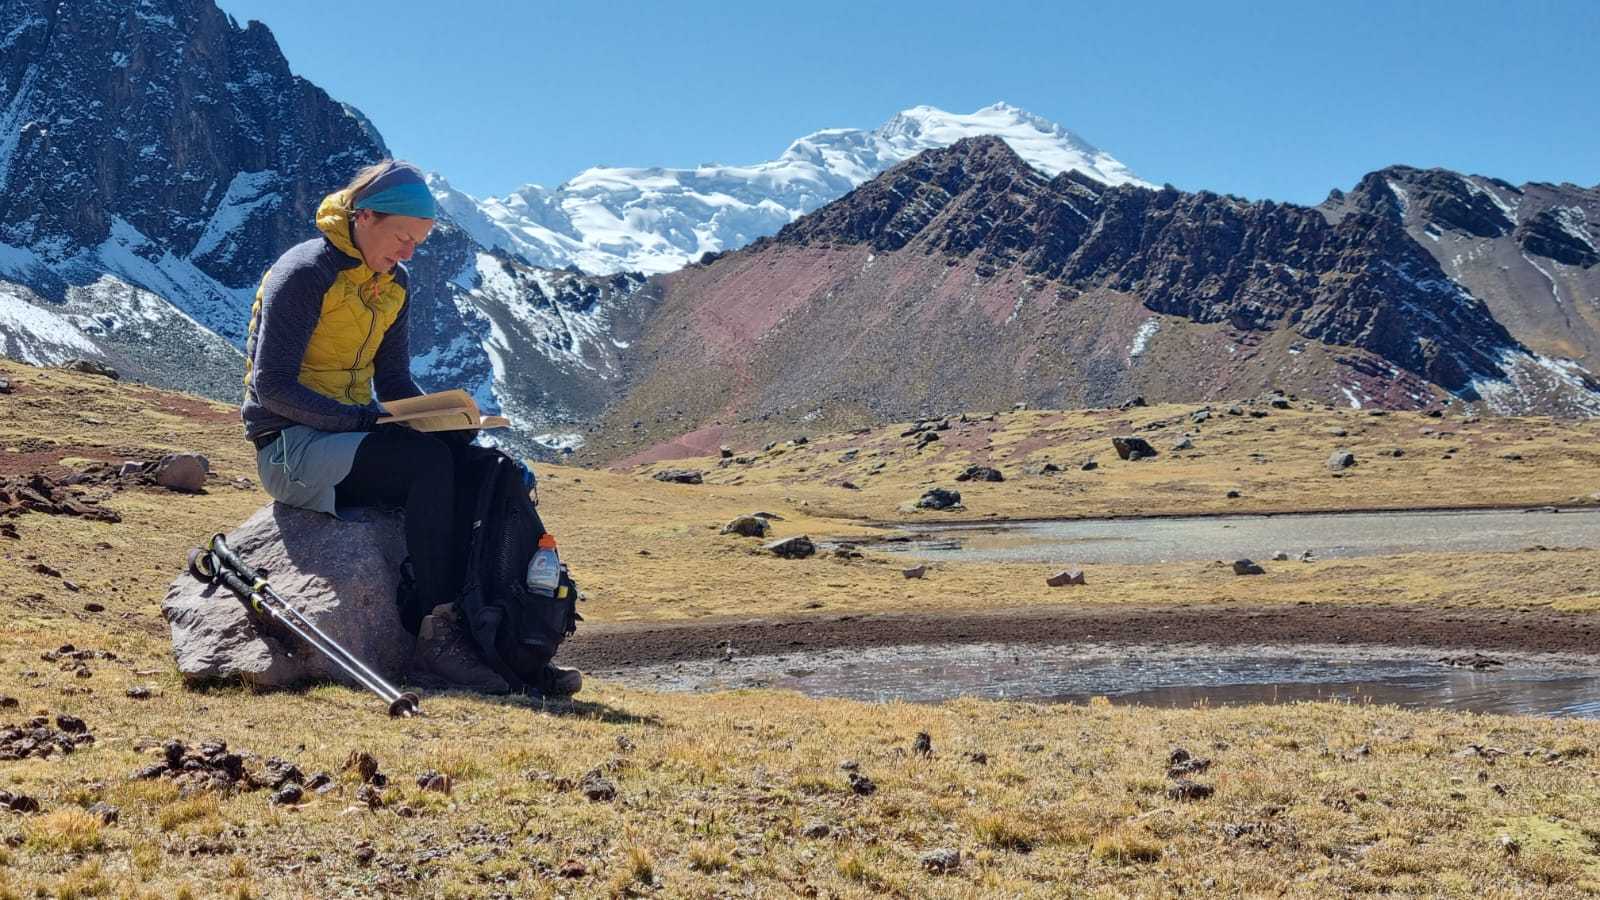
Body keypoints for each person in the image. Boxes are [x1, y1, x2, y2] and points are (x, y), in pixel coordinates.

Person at [240, 159, 580, 696]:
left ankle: (515, 642)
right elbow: (272, 387)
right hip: (290, 447)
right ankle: (437, 638)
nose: (407, 252)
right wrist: (362, 420)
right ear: (365, 217)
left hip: (351, 437)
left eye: (417, 242)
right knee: (426, 465)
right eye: (402, 237)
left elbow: (393, 381)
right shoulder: (305, 273)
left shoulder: (393, 285)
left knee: (487, 468)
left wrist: (449, 422)